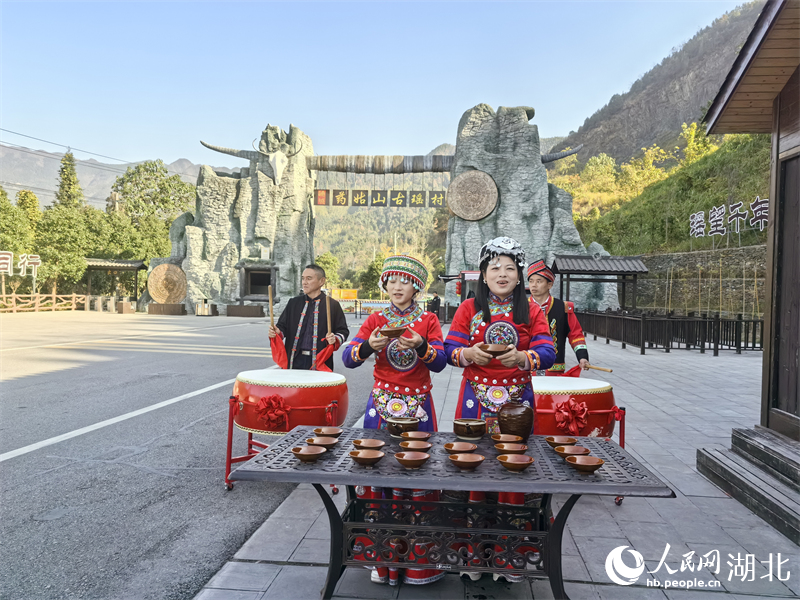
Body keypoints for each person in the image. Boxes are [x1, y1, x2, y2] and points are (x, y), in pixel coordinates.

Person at [443, 237, 556, 583]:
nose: (502, 274)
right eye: (495, 268)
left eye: (510, 268)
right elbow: (450, 347)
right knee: (472, 468)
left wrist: (525, 357)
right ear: (483, 274)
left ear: (520, 276)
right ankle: (474, 555)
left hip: (516, 401)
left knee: (514, 472)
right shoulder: (468, 308)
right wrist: (467, 355)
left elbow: (547, 350)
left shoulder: (532, 310)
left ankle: (512, 557)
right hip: (475, 399)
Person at [342, 254, 447, 586]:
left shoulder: (428, 319)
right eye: (392, 280)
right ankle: (382, 557)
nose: (397, 286)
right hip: (381, 404)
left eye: (404, 281)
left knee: (417, 477)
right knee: (380, 476)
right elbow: (348, 357)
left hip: (418, 405)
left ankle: (417, 562)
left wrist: (422, 346)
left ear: (416, 287)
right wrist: (366, 348)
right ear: (385, 284)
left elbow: (441, 362)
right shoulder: (376, 319)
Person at [268, 264, 349, 370]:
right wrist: (277, 332)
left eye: (309, 278)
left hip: (320, 361)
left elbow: (343, 331)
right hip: (294, 359)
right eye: (303, 278)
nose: (304, 282)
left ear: (321, 281)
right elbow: (282, 327)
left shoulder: (332, 305)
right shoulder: (293, 303)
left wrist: (335, 338)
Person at [527, 260, 589, 375]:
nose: (533, 285)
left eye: (539, 281)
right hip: (526, 370)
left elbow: (576, 335)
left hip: (554, 371)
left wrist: (582, 357)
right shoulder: (520, 307)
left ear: (549, 285)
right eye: (531, 281)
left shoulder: (563, 308)